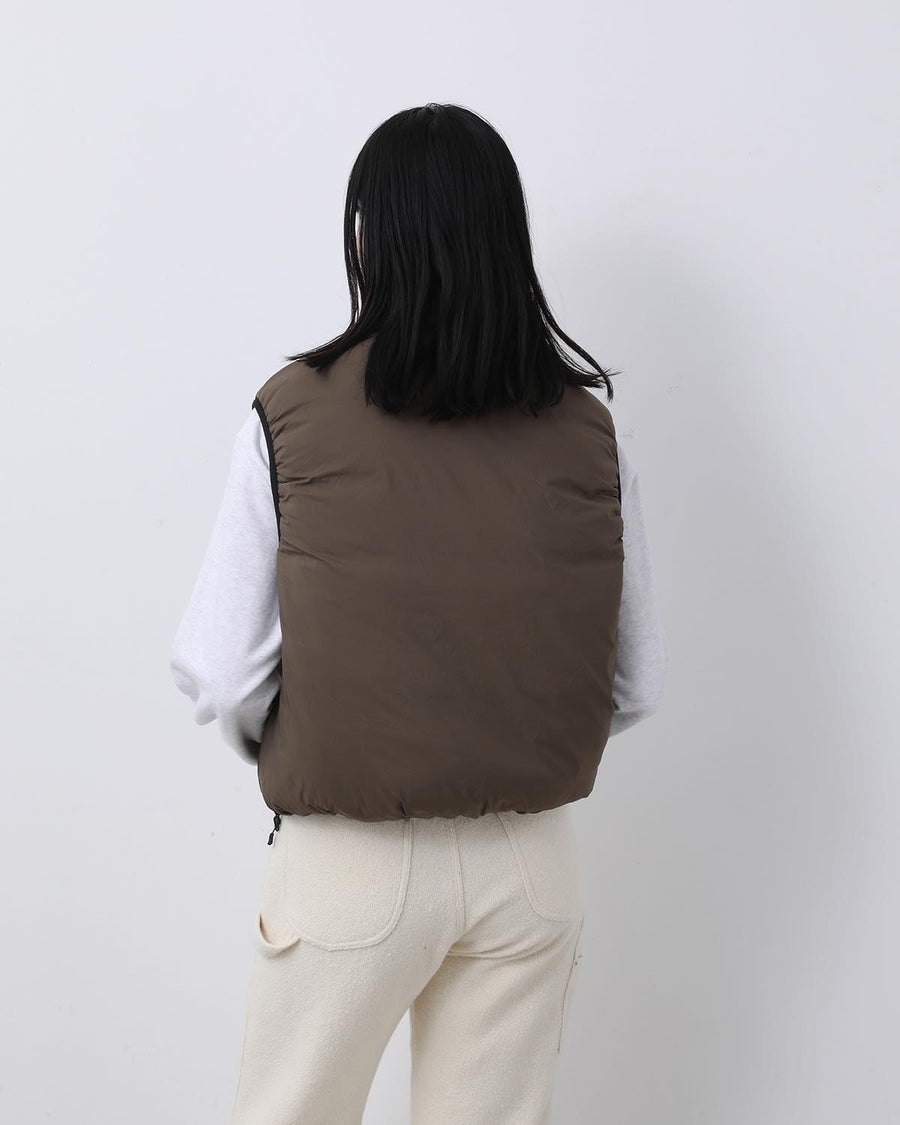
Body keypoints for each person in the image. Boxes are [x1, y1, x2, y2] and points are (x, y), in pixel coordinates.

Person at [170, 103, 667, 1125]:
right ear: (506, 237)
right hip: (532, 867)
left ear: (368, 237)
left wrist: (310, 740)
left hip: (348, 862)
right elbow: (633, 681)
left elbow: (222, 668)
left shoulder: (290, 409)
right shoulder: (589, 429)